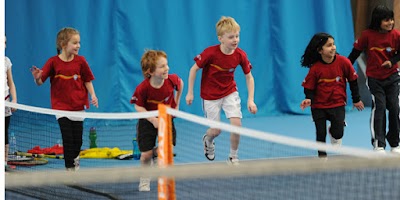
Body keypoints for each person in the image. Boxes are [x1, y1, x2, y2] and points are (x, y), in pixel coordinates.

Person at [185, 16, 257, 165]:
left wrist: (251, 99)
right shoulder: (210, 53)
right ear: (221, 38)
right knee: (216, 130)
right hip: (210, 96)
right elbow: (193, 70)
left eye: (237, 36)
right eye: (231, 37)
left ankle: (233, 157)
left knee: (237, 125)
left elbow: (249, 77)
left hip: (229, 91)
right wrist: (190, 92)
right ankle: (208, 140)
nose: (235, 40)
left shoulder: (240, 55)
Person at [31, 27, 98, 171]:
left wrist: (93, 95)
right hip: (61, 107)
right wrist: (37, 78)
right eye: (74, 43)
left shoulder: (81, 61)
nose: (78, 46)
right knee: (67, 139)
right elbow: (40, 81)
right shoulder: (53, 62)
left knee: (77, 141)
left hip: (78, 107)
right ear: (63, 44)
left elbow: (87, 80)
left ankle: (75, 158)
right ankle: (69, 170)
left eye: (79, 42)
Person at [300, 32, 364, 158]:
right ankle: (322, 158)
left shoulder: (344, 62)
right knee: (320, 133)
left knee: (338, 133)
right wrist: (309, 99)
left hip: (337, 104)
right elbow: (309, 87)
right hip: (319, 106)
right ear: (320, 50)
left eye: (333, 44)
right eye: (329, 45)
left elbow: (353, 81)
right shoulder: (315, 69)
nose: (333, 47)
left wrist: (356, 99)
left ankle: (333, 131)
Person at [347, 5, 400, 153]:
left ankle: (395, 144)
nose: (390, 23)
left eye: (391, 19)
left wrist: (392, 61)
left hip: (393, 78)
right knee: (380, 107)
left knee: (395, 108)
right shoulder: (367, 36)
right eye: (386, 20)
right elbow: (355, 53)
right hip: (375, 79)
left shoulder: (396, 35)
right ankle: (379, 144)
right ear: (378, 21)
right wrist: (345, 67)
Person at [130, 50, 184, 192]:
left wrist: (176, 104)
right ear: (150, 72)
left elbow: (180, 84)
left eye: (166, 65)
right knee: (145, 155)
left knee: (167, 149)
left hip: (166, 118)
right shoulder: (143, 88)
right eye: (162, 66)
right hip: (147, 121)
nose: (167, 68)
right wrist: (152, 119)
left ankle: (156, 155)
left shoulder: (171, 80)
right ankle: (144, 178)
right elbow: (138, 106)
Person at [5, 36, 17, 171]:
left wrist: (15, 100)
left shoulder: (6, 61)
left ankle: (4, 163)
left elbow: (11, 83)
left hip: (5, 105)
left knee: (4, 134)